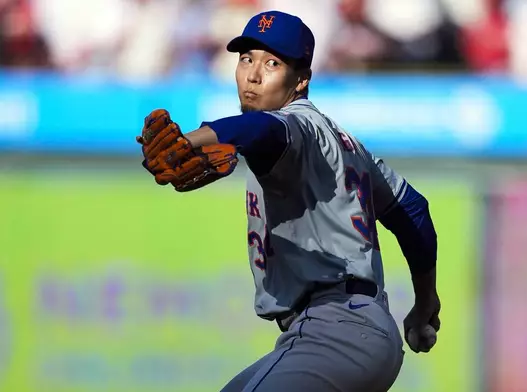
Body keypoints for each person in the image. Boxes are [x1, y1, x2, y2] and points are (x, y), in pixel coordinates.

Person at [137, 10, 441, 392]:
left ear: (301, 80)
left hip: (335, 331)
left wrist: (194, 140)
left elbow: (262, 129)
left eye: (272, 63)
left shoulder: (292, 123)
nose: (253, 74)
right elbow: (412, 209)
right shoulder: (349, 145)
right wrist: (425, 300)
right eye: (246, 58)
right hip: (358, 332)